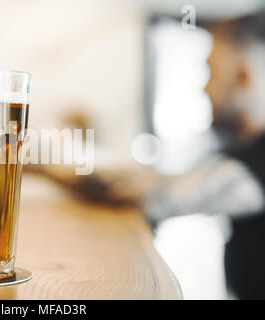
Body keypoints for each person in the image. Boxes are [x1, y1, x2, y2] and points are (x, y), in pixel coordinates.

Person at [29, 12, 265, 299]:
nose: (204, 88)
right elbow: (159, 175)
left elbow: (158, 193)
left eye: (211, 71)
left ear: (243, 77)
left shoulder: (257, 164)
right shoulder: (243, 153)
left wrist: (55, 156)